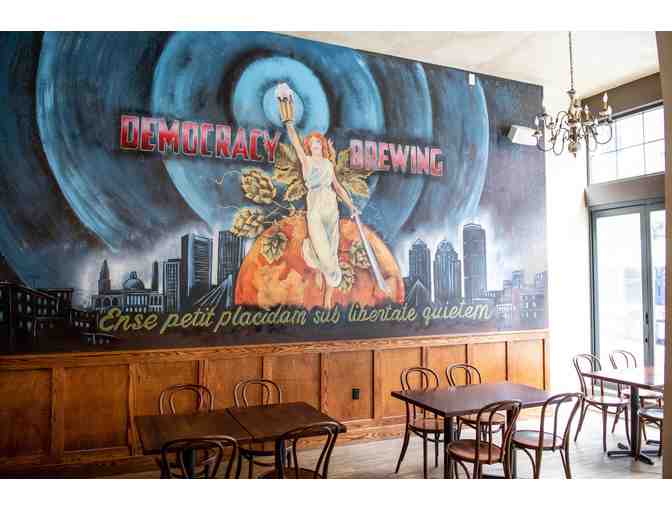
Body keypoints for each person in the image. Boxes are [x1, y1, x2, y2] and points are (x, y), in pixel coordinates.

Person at [279, 94, 359, 308]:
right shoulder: (306, 161)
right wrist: (289, 124)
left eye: (318, 143)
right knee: (322, 248)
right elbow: (295, 143)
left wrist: (351, 206)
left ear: (322, 146)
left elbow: (338, 187)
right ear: (309, 146)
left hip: (331, 205)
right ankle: (330, 273)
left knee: (331, 249)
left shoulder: (328, 165)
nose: (315, 145)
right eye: (312, 143)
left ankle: (327, 295)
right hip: (314, 204)